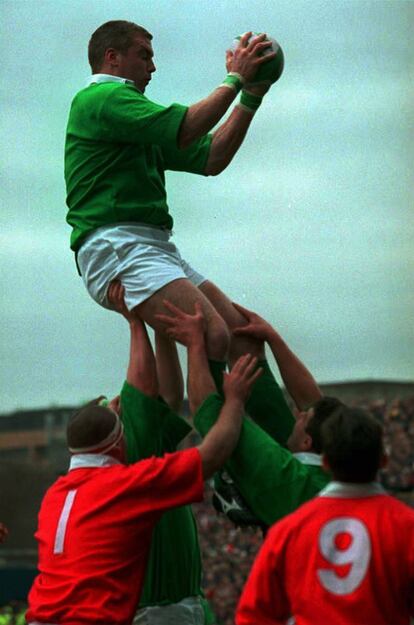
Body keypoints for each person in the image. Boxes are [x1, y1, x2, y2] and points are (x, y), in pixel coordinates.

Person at [65, 19, 279, 395]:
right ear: (112, 58)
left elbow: (211, 157)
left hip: (151, 245)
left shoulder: (133, 113)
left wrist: (251, 96)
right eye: (144, 55)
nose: (153, 66)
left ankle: (286, 448)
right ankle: (218, 446)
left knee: (240, 338)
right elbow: (185, 127)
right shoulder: (102, 98)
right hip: (115, 243)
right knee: (212, 334)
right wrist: (235, 80)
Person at [26, 328, 261, 625]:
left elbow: (160, 402)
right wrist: (235, 400)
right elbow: (212, 453)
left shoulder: (55, 495)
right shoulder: (123, 486)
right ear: (116, 443)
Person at [106, 280, 242, 625]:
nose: (117, 401)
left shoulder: (144, 455)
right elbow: (147, 386)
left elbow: (167, 397)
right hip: (158, 611)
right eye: (108, 406)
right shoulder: (128, 462)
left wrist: (161, 328)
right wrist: (136, 321)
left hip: (185, 604)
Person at [156, 301, 343, 528]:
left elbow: (209, 414)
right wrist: (273, 338)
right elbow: (313, 402)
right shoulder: (337, 468)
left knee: (218, 339)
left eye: (303, 418)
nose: (298, 414)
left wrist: (195, 346)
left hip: (286, 519)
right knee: (242, 345)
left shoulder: (289, 478)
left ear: (307, 441)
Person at [236, 406, 414, 625]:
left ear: (326, 463)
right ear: (383, 461)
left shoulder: (288, 530)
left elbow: (254, 615)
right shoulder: (406, 527)